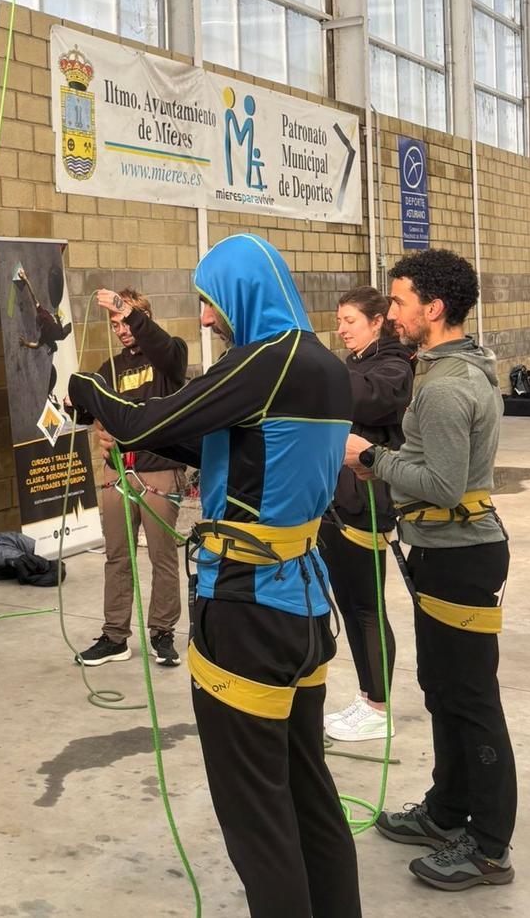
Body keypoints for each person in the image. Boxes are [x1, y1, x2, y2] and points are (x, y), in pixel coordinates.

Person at [67, 233, 360, 917]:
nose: (205, 317)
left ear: (242, 293)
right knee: (307, 788)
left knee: (256, 814)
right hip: (305, 602)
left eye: (209, 301)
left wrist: (89, 391)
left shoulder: (264, 362)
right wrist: (141, 434)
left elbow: (154, 418)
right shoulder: (319, 363)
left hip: (250, 606)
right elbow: (215, 440)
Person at [346, 250, 516, 891]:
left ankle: (490, 846)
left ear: (433, 308)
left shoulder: (446, 386)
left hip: (461, 557)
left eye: (397, 301)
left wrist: (372, 458)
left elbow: (443, 484)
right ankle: (448, 813)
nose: (390, 312)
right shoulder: (453, 366)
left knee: (471, 700)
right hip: (446, 554)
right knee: (444, 690)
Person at [76, 287, 188, 668]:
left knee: (162, 556)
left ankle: (162, 633)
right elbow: (97, 412)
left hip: (159, 470)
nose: (121, 329)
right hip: (118, 472)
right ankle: (114, 636)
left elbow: (170, 355)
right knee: (117, 557)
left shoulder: (168, 356)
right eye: (115, 324)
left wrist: (128, 310)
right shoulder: (110, 368)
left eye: (126, 320)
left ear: (143, 317)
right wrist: (92, 423)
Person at [321, 287, 414, 742]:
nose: (341, 330)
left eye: (349, 321)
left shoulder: (394, 366)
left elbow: (369, 399)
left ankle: (378, 706)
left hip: (368, 508)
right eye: (338, 321)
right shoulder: (354, 365)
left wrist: (315, 373)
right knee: (350, 605)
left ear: (377, 322)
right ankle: (366, 697)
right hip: (336, 505)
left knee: (367, 608)